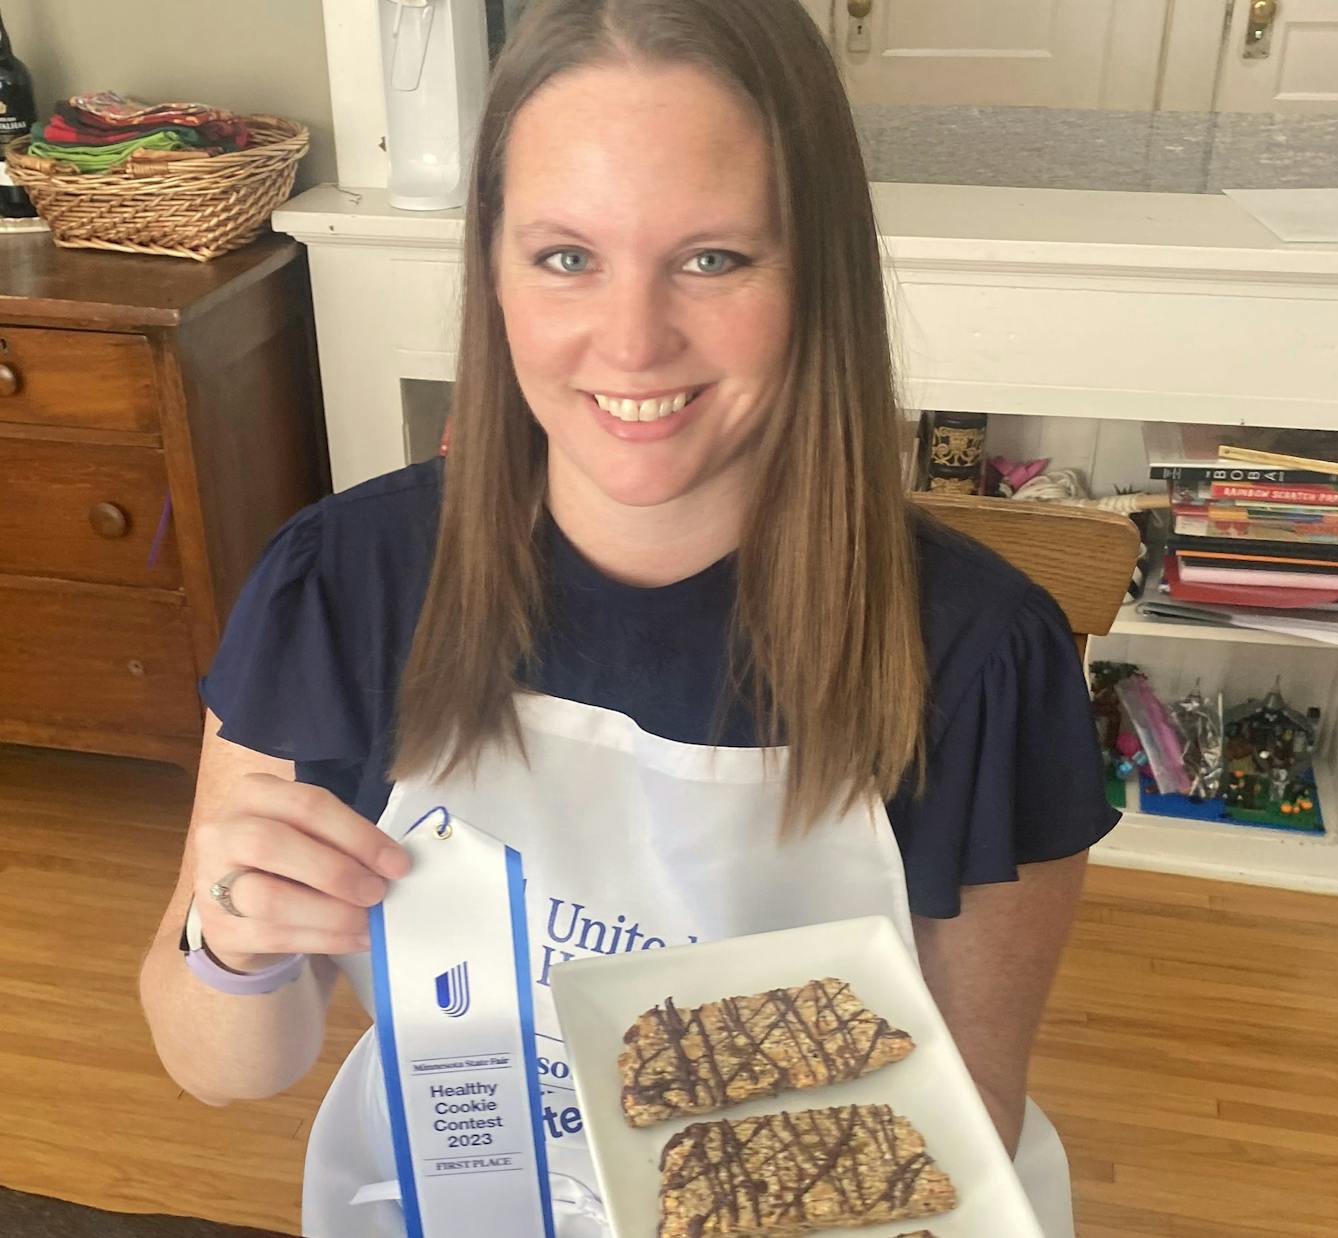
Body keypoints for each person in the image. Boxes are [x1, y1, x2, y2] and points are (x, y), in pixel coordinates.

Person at [139, 1, 1120, 1234]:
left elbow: (951, 1127)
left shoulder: (978, 660)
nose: (634, 340)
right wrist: (234, 938)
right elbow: (222, 1062)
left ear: (816, 271)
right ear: (492, 269)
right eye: (565, 256)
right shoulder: (340, 586)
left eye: (713, 257)